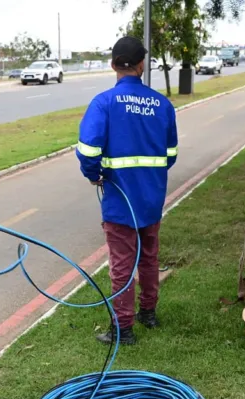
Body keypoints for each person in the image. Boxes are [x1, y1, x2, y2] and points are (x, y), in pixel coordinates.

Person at [75, 36, 178, 346]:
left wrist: (95, 176)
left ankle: (124, 328)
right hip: (151, 198)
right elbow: (170, 154)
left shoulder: (104, 103)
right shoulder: (162, 104)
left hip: (120, 199)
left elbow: (88, 151)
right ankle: (148, 313)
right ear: (142, 65)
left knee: (122, 263)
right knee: (149, 257)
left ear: (113, 64)